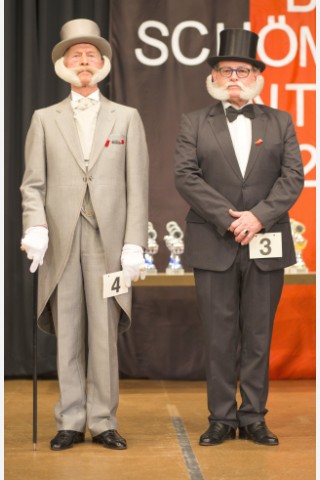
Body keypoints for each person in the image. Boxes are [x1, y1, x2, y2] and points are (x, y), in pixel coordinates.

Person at [20, 18, 149, 451]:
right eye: (75, 55)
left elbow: (137, 187)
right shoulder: (44, 118)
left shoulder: (127, 118)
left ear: (103, 63)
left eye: (90, 55)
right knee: (69, 328)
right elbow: (32, 185)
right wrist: (34, 226)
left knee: (104, 335)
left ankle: (104, 419)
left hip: (109, 242)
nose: (83, 62)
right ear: (63, 64)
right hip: (61, 238)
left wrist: (135, 242)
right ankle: (71, 420)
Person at [174, 29, 304, 446]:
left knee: (259, 335)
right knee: (219, 335)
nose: (234, 76)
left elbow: (292, 178)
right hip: (215, 241)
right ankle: (220, 417)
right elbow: (186, 176)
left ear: (256, 77)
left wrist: (259, 217)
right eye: (226, 69)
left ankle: (253, 417)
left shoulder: (279, 121)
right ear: (213, 76)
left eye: (242, 69)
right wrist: (231, 220)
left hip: (267, 240)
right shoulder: (194, 121)